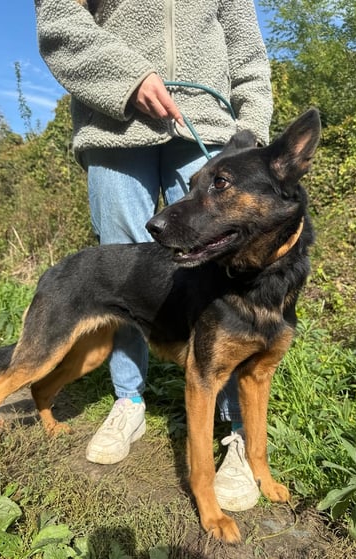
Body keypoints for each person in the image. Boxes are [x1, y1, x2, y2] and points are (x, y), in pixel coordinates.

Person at [35, 0, 273, 511]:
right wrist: (124, 78)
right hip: (113, 123)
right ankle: (129, 400)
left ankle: (234, 430)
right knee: (121, 277)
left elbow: (248, 50)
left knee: (225, 274)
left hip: (207, 129)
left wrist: (251, 137)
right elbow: (59, 15)